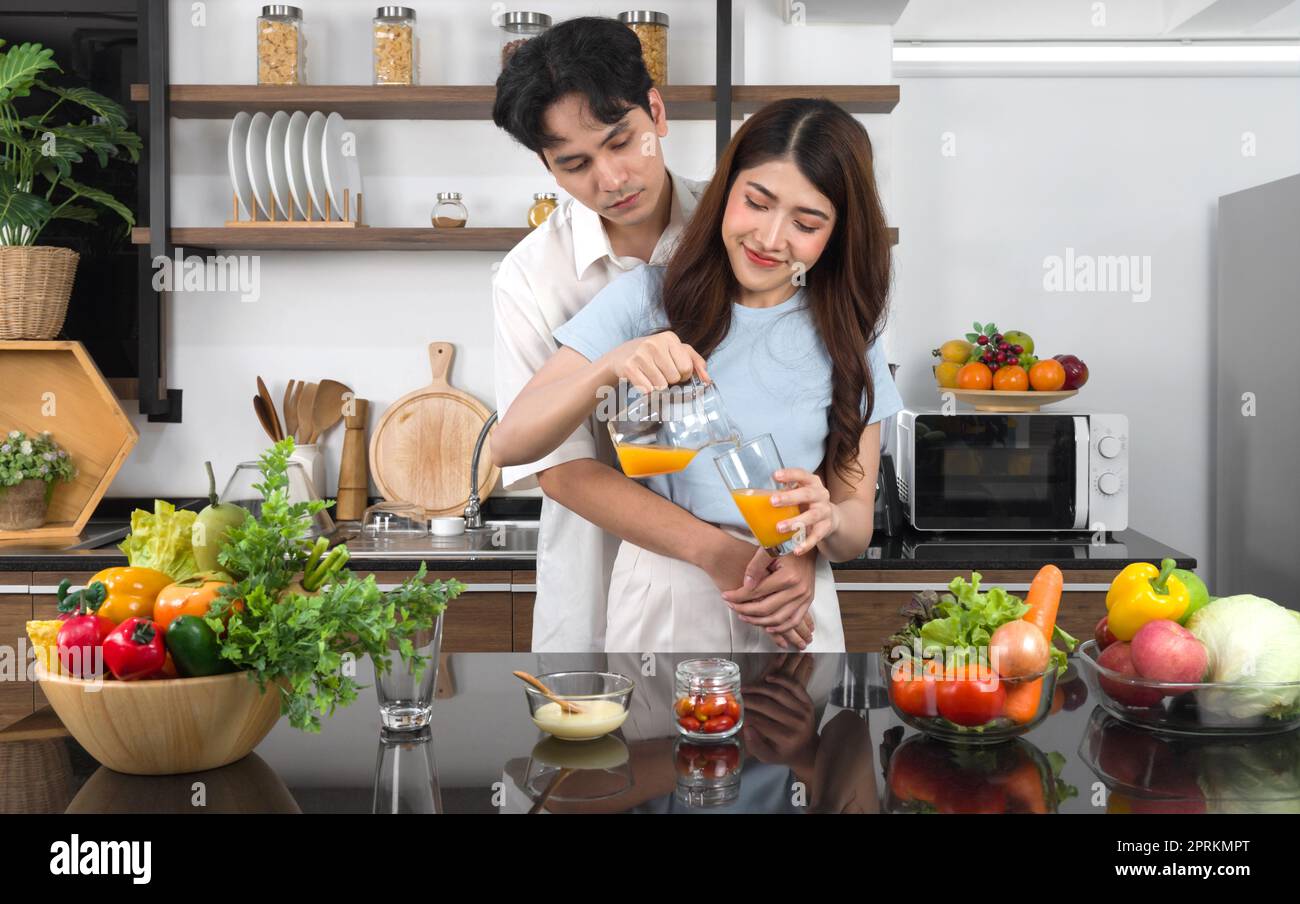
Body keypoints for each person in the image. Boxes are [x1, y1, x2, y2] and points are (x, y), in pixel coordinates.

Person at [492, 98, 904, 653]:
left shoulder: (850, 335)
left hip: (791, 606)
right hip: (664, 600)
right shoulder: (644, 300)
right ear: (725, 188)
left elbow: (855, 524)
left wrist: (825, 524)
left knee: (795, 740)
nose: (770, 238)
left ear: (837, 233)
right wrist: (612, 365)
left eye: (806, 223)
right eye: (756, 203)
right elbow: (509, 443)